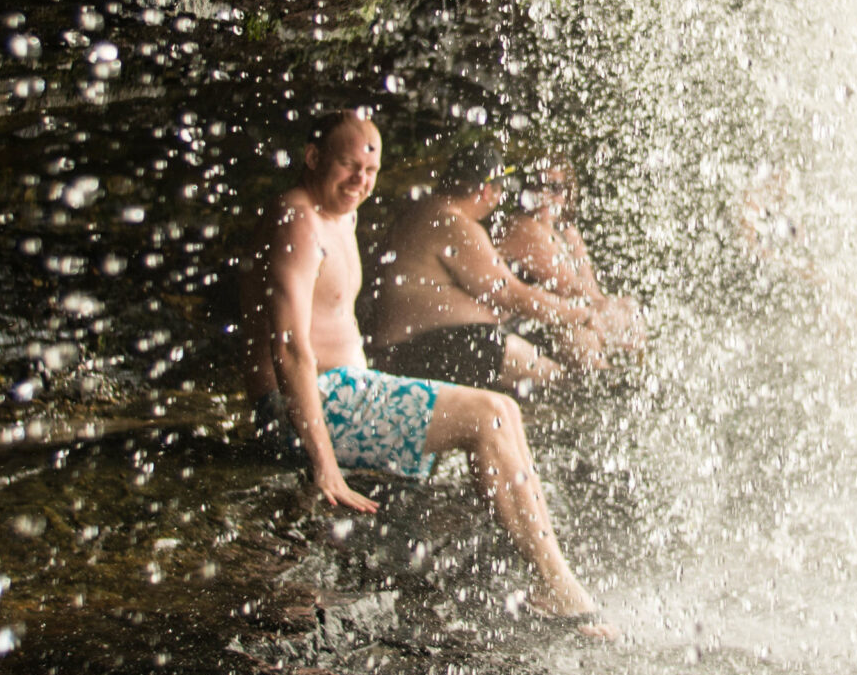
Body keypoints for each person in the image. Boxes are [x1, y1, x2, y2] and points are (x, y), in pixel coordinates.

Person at [238, 111, 607, 636]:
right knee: (491, 416)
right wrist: (324, 465)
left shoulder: (338, 216)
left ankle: (545, 577)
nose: (360, 181)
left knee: (503, 409)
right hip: (307, 404)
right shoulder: (296, 219)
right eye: (348, 165)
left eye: (370, 171)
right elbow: (290, 346)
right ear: (313, 156)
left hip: (348, 390)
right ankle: (558, 589)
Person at [364, 142, 604, 393]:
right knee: (565, 382)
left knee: (532, 354)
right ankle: (591, 387)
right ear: (488, 190)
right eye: (500, 192)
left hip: (415, 349)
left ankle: (593, 384)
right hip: (421, 352)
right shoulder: (453, 223)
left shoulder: (424, 213)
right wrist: (580, 314)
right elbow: (512, 294)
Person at [496, 156, 646, 362]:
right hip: (523, 321)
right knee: (580, 336)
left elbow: (590, 288)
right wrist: (603, 319)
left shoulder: (566, 231)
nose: (544, 194)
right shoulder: (523, 227)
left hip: (562, 316)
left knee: (630, 307)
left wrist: (617, 313)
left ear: (567, 193)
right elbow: (570, 287)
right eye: (537, 184)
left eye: (554, 187)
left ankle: (634, 375)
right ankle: (605, 383)